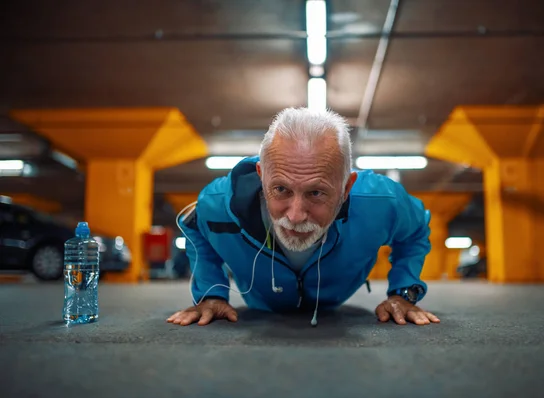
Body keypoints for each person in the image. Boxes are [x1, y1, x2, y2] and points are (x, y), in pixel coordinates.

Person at [167, 107, 440, 327]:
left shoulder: (383, 202)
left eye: (317, 193)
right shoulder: (216, 204)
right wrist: (211, 293)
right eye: (281, 189)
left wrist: (404, 292)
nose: (296, 216)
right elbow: (196, 230)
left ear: (346, 188)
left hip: (335, 306)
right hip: (260, 307)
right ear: (262, 177)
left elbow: (416, 232)